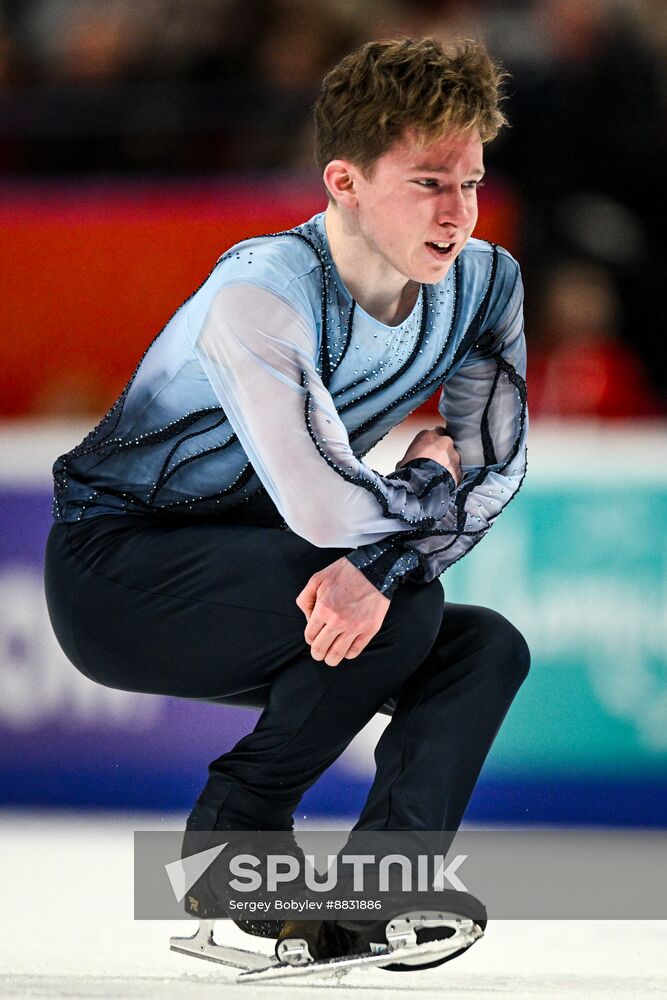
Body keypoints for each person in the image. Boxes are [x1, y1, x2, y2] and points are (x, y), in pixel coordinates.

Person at [44, 36, 530, 968]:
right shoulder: (261, 292)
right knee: (406, 604)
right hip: (119, 571)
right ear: (344, 181)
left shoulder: (484, 284)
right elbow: (322, 509)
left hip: (269, 567)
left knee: (483, 650)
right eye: (429, 181)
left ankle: (381, 894)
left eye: (469, 182)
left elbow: (499, 467)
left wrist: (389, 548)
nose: (458, 212)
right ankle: (233, 851)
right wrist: (426, 484)